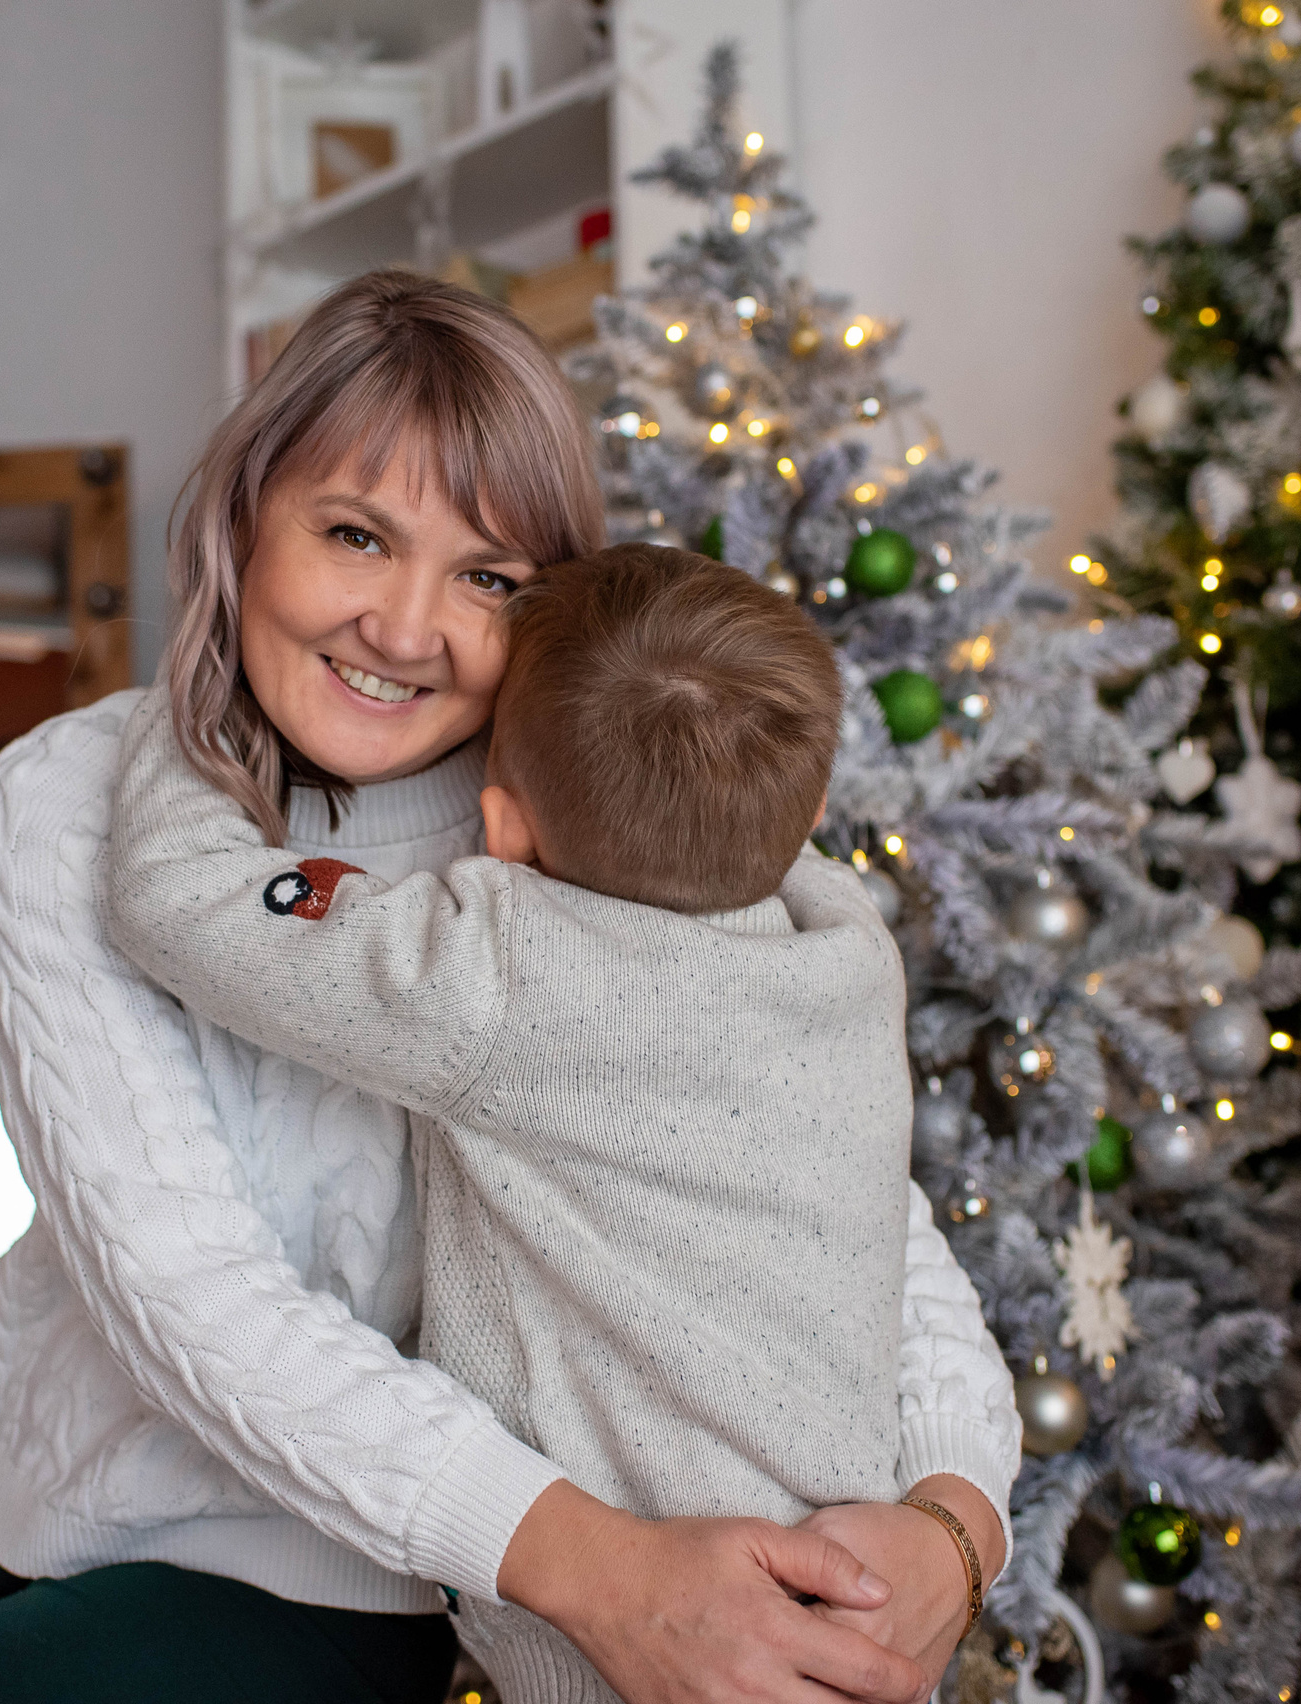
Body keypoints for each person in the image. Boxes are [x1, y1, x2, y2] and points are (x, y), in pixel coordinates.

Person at [0, 270, 1016, 1704]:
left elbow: (845, 1203)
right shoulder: (72, 797)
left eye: (489, 578)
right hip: (30, 1502)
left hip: (359, 1581)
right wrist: (612, 1572)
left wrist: (955, 1521)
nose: (408, 628)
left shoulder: (574, 814)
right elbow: (193, 1298)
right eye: (357, 536)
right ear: (245, 516)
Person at [104, 542, 980, 1703]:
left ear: (502, 829)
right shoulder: (848, 953)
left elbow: (182, 895)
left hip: (636, 1662)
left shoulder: (498, 979)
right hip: (858, 1604)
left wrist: (206, 687)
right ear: (812, 812)